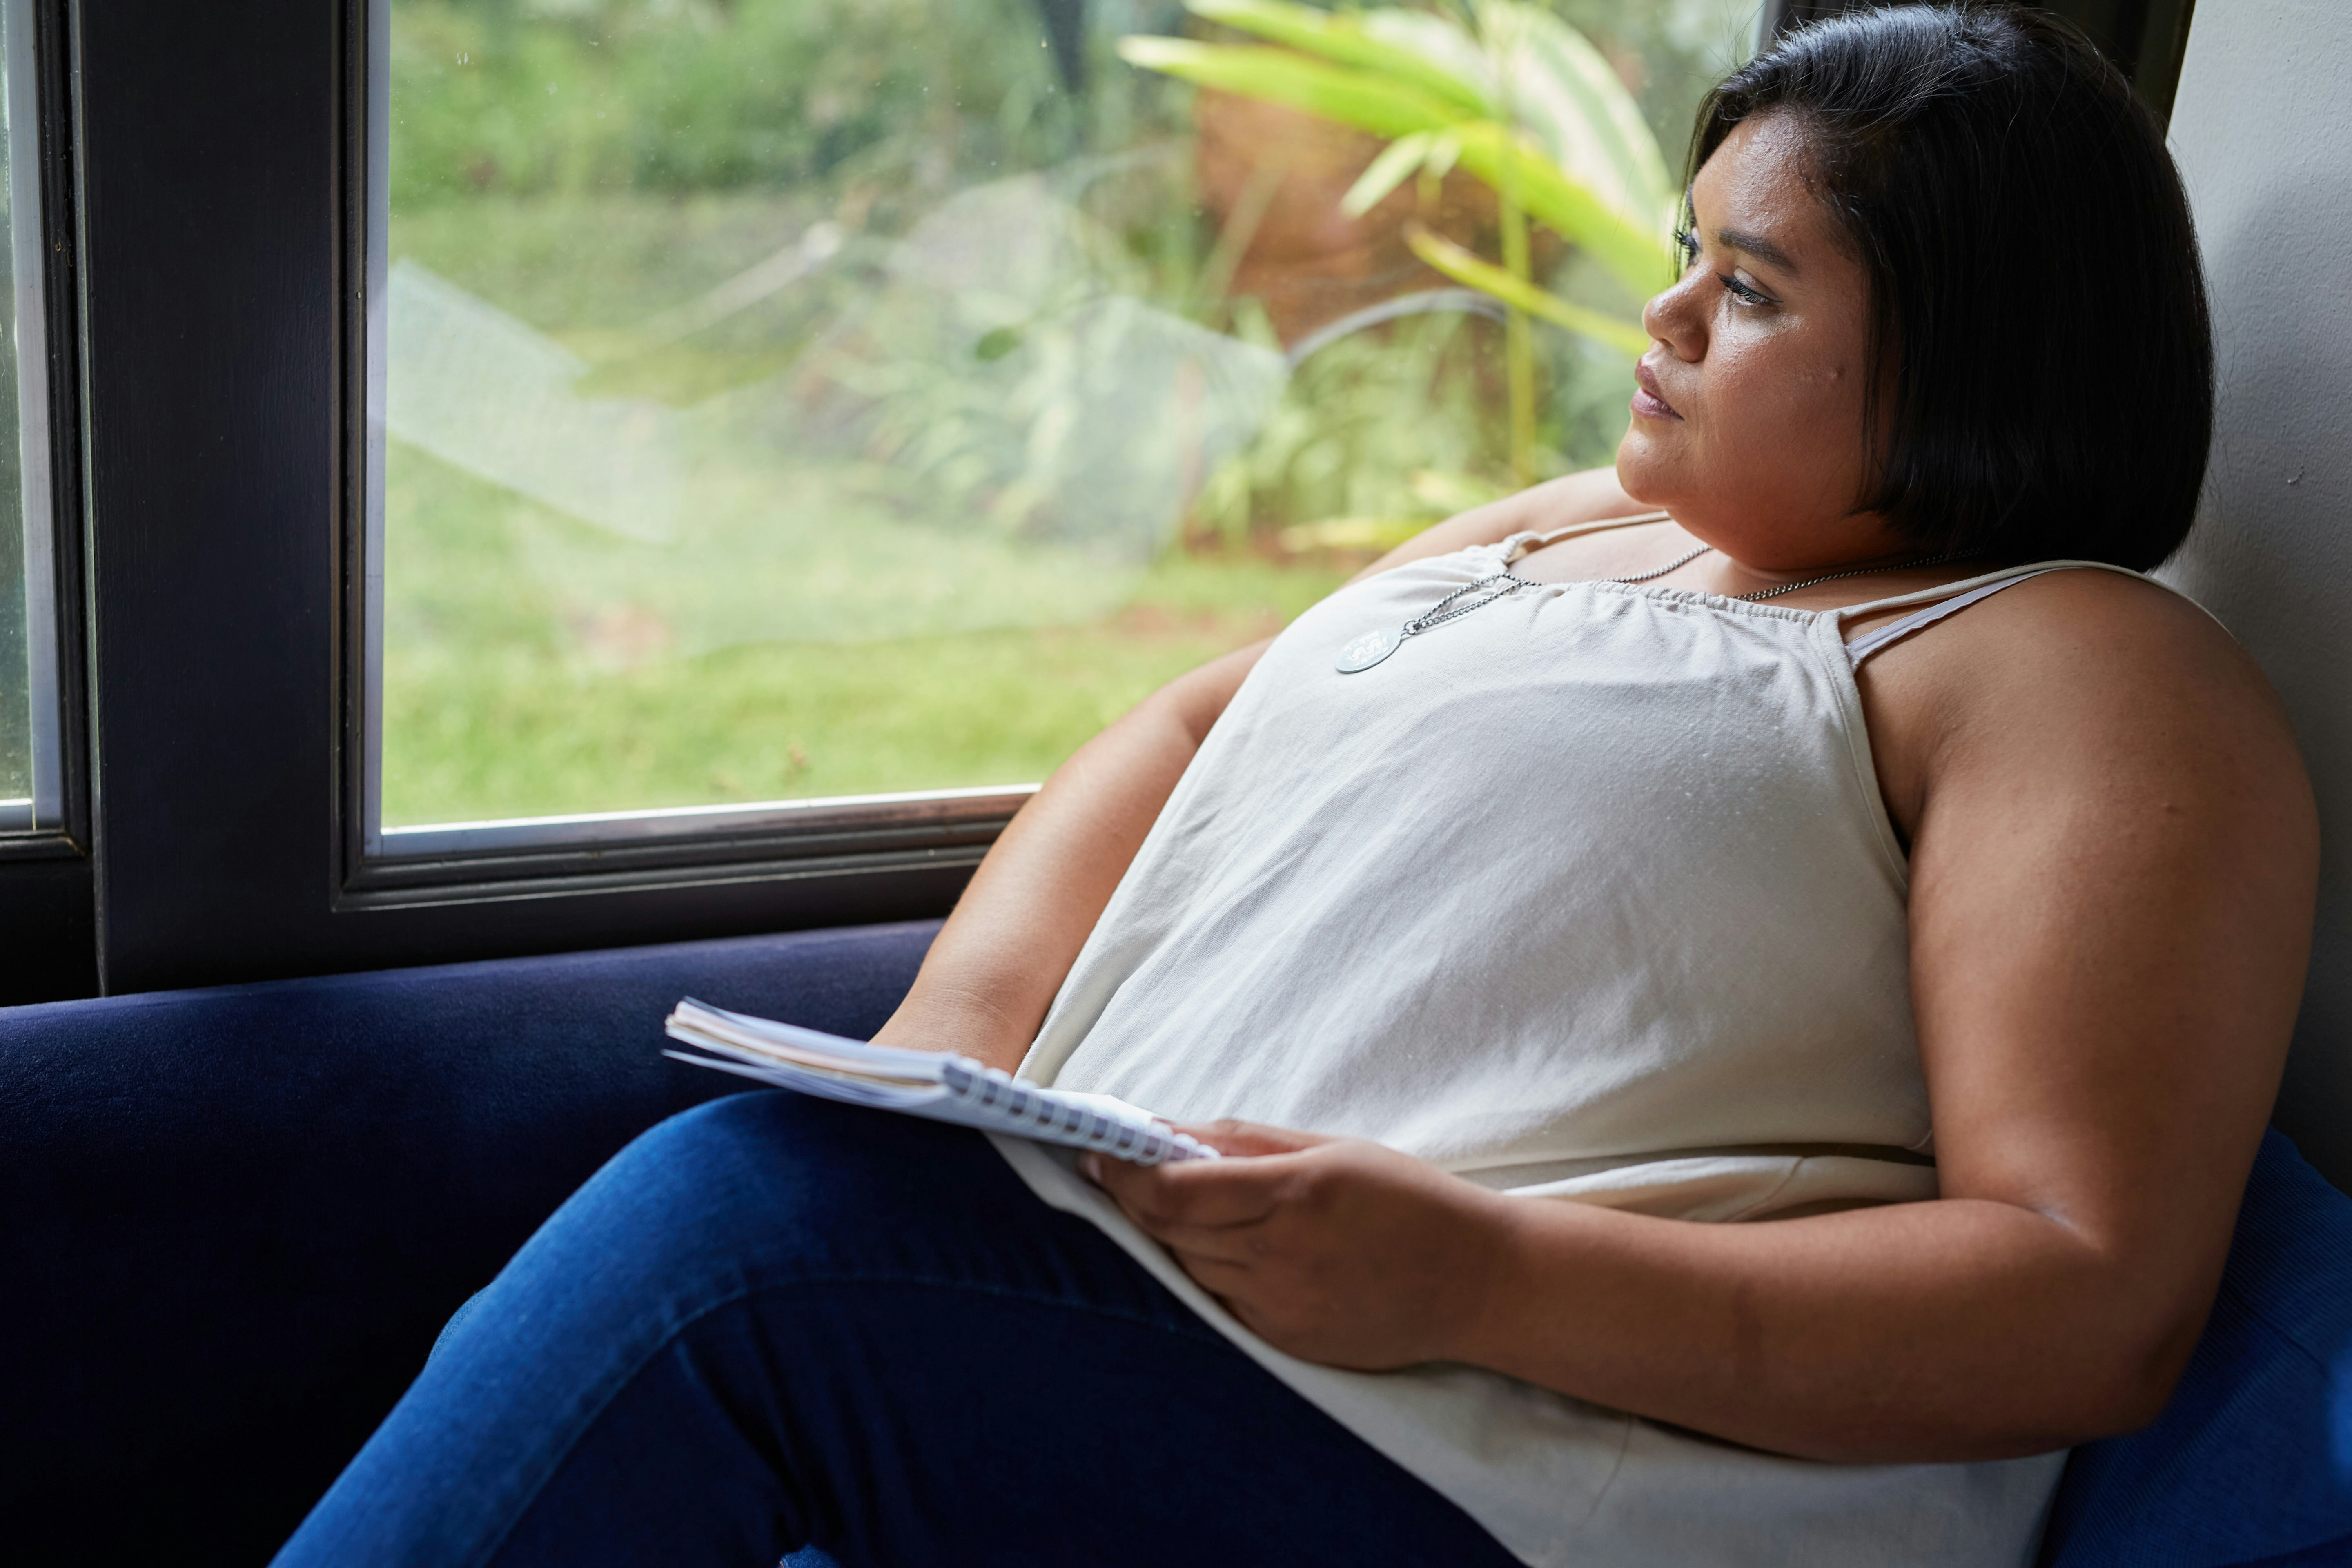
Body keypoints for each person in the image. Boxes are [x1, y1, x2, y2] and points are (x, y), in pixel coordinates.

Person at [275, 5, 2317, 1565]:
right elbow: (1180, 729)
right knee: (776, 1197)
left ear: (1977, 363)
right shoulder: (1573, 530)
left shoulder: (2074, 668)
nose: (1667, 314)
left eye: (1754, 288)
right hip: (1206, 1332)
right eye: (1688, 249)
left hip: (1523, 1465)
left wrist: (1487, 1277)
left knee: (736, 1241)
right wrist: (945, 1060)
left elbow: (2082, 1295)